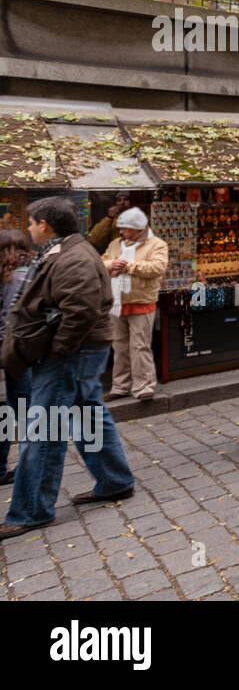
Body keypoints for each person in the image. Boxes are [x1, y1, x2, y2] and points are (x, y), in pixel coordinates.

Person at [0, 197, 135, 540]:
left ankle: (31, 510)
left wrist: (59, 350)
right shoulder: (68, 250)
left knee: (45, 429)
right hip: (77, 351)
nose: (29, 229)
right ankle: (114, 480)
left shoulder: (74, 256)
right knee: (87, 413)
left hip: (72, 353)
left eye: (31, 223)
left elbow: (81, 311)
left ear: (44, 224)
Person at [100, 207, 168, 401]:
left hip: (141, 300)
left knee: (140, 346)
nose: (121, 232)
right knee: (119, 346)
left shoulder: (157, 245)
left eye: (125, 229)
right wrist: (112, 264)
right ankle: (120, 386)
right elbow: (102, 262)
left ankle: (144, 386)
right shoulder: (115, 244)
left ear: (138, 229)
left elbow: (157, 267)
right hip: (117, 302)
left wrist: (128, 266)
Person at [0, 230, 31, 486]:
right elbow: (11, 319)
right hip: (14, 351)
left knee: (5, 410)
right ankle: (30, 464)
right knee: (24, 409)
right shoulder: (20, 275)